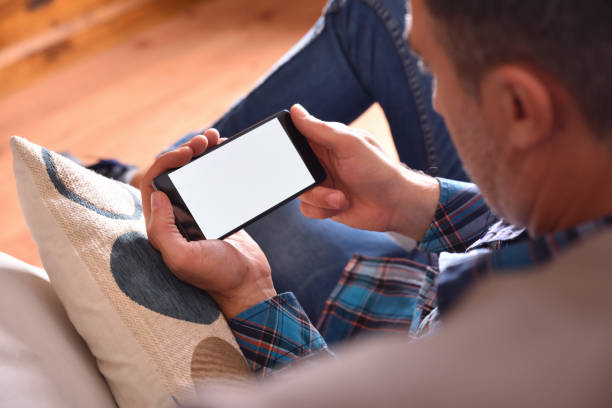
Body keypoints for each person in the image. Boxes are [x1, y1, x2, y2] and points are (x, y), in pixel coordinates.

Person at [114, 0, 612, 378]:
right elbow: (532, 232)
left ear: (519, 107)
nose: (436, 101)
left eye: (434, 72)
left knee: (179, 196)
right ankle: (114, 178)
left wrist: (246, 291)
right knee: (194, 187)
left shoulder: (511, 365)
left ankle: (107, 178)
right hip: (429, 279)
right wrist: (414, 200)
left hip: (380, 335)